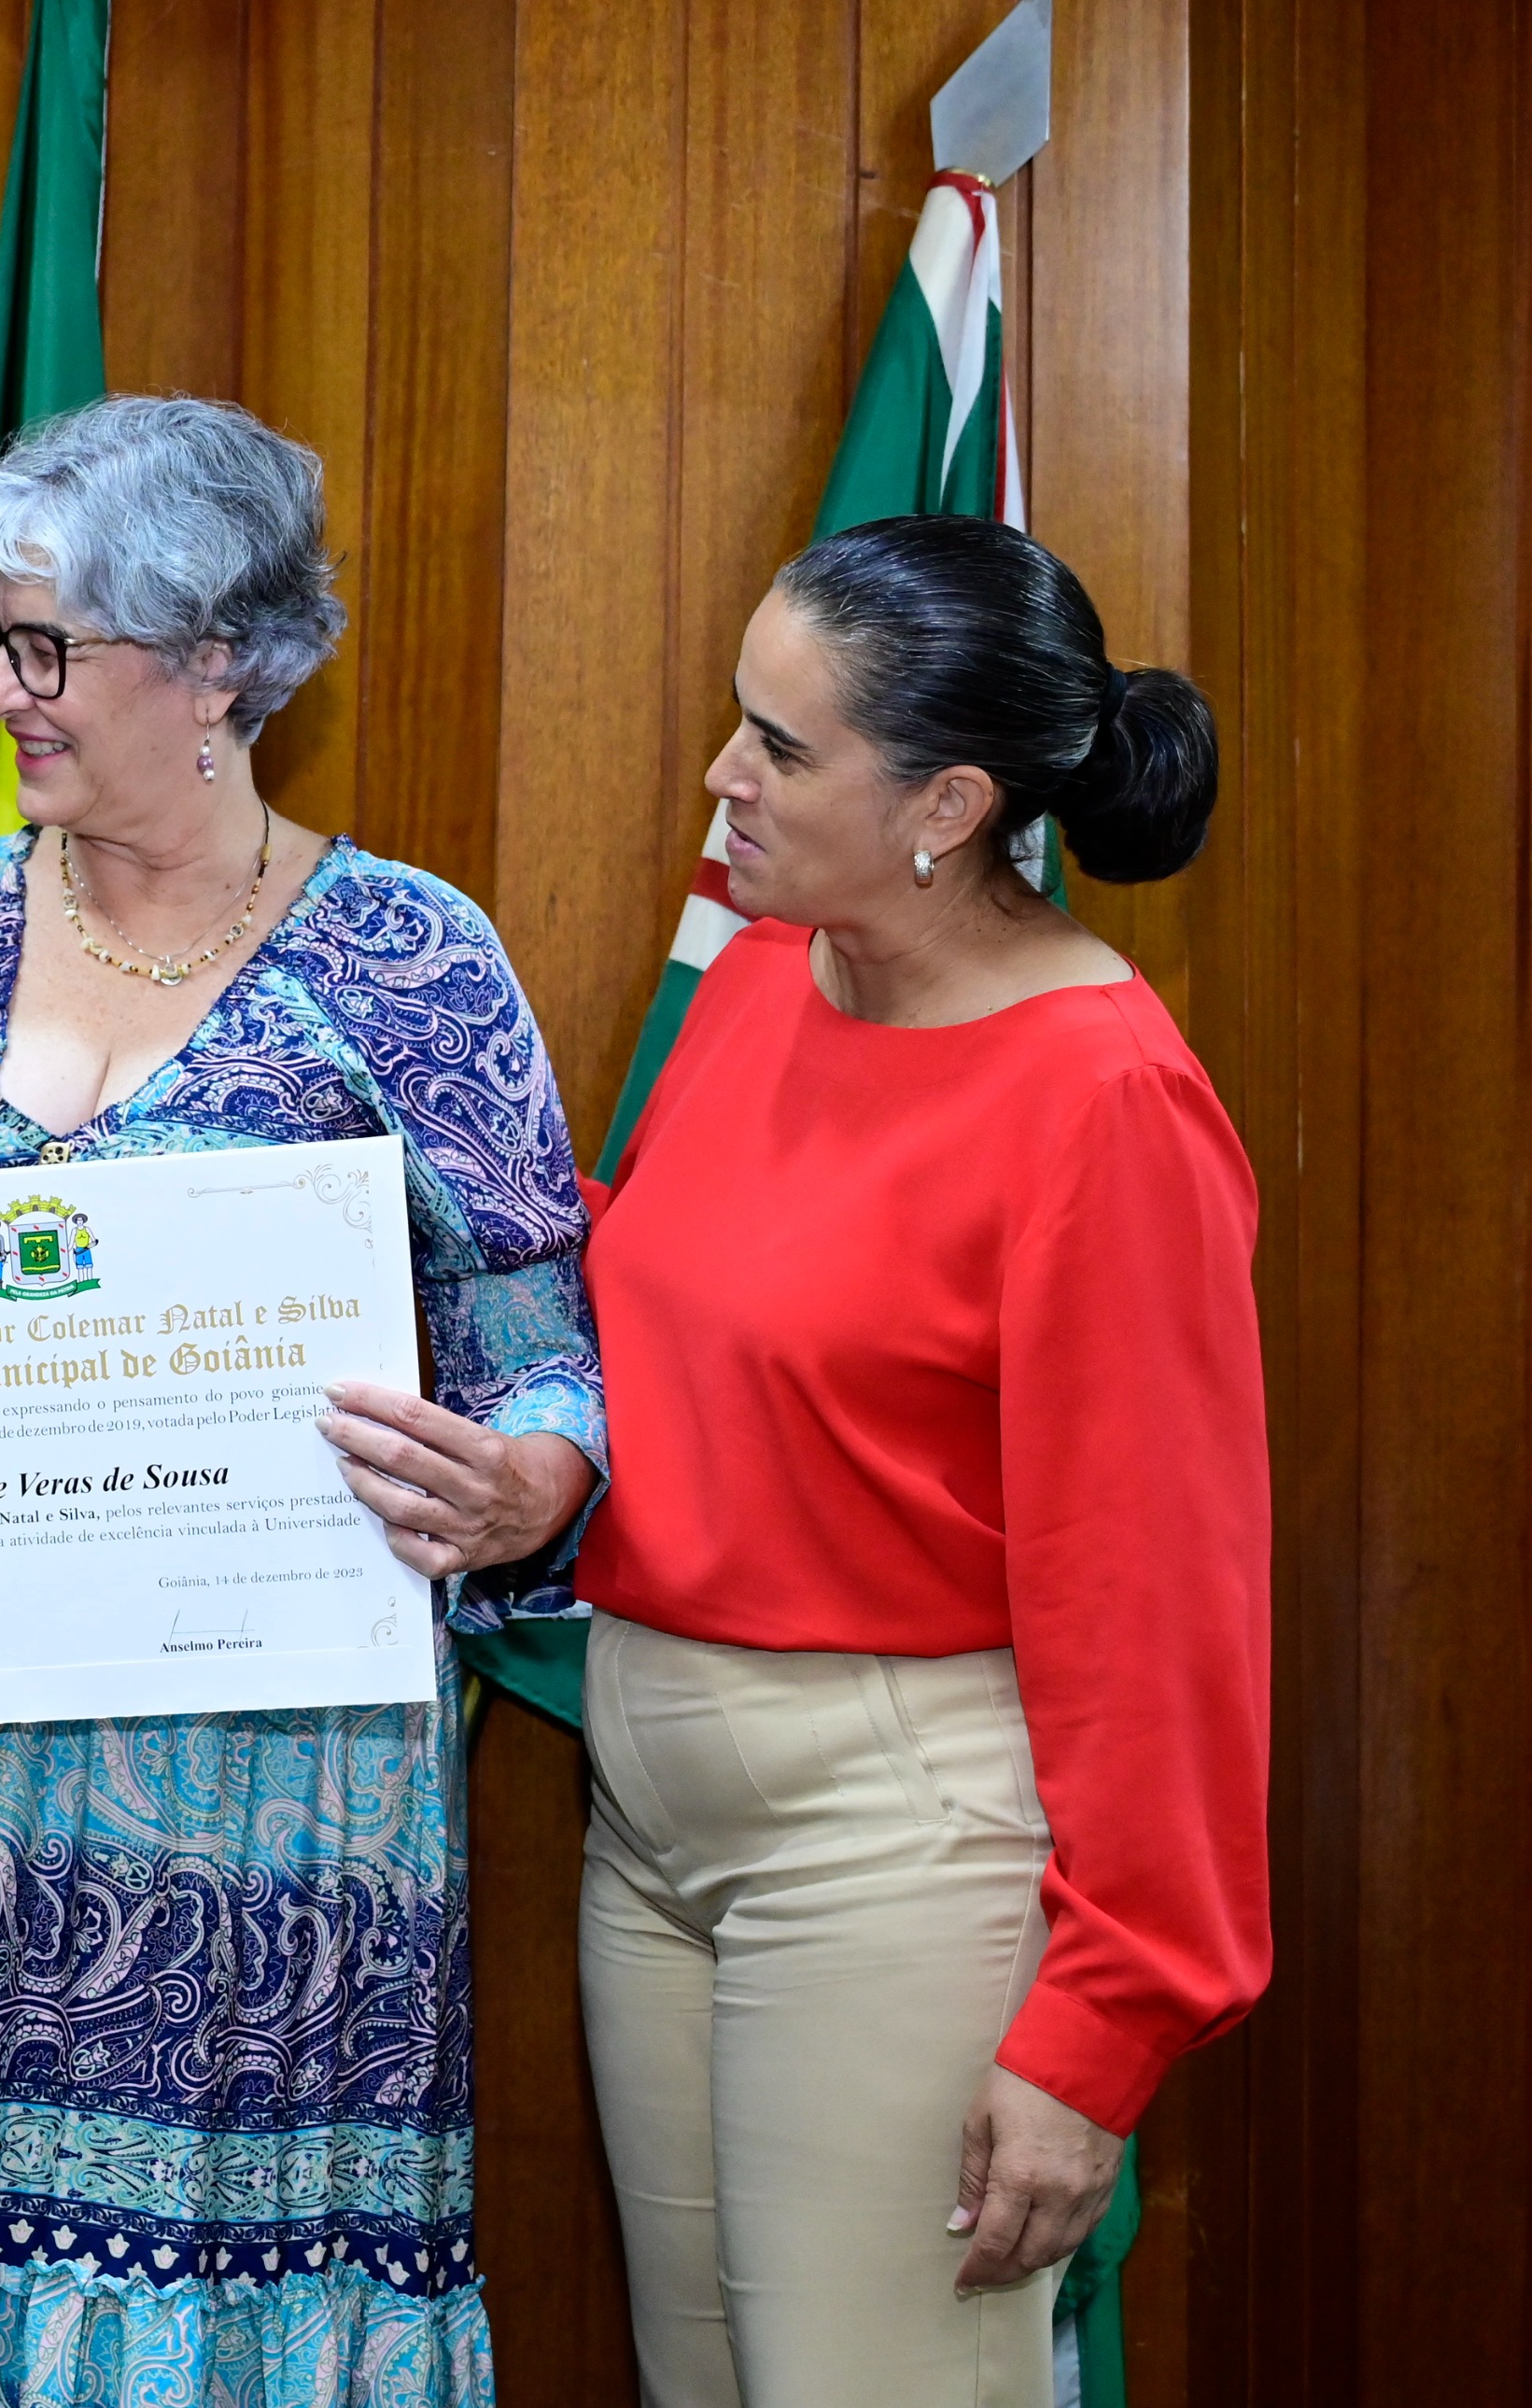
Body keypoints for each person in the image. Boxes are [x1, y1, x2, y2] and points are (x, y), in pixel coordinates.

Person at [0, 395, 604, 2406]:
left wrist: (532, 1483)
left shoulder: (412, 957)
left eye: (43, 650)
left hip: (256, 1840)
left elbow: (540, 1348)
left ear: (216, 662)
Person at [572, 514, 1269, 2406]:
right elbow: (672, 1315)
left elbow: (1162, 1601)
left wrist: (1102, 2024)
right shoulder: (759, 974)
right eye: (738, 717)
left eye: (781, 748)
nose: (721, 777)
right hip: (649, 1824)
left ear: (947, 807)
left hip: (893, 1845)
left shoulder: (1102, 1096)